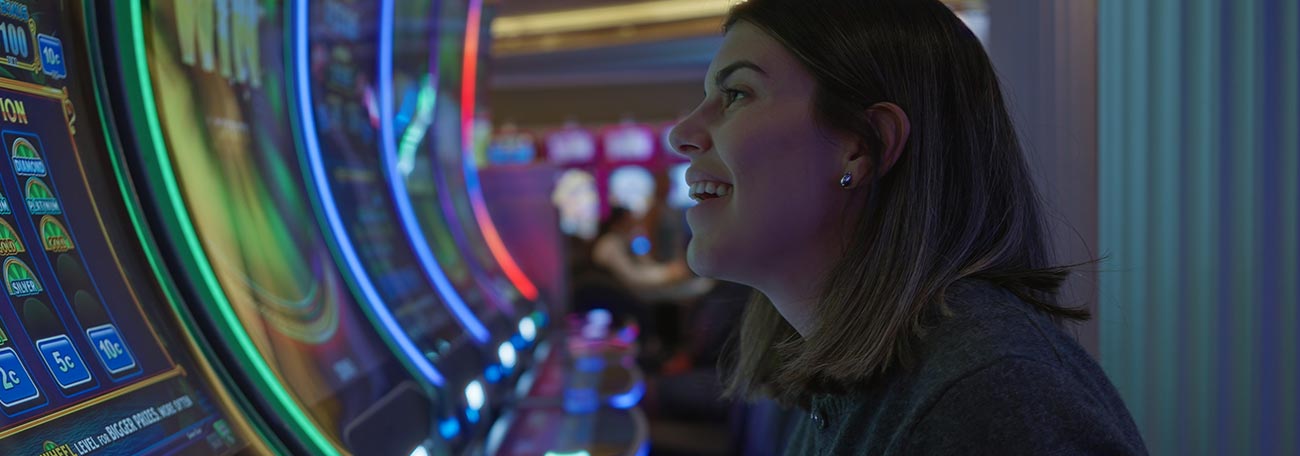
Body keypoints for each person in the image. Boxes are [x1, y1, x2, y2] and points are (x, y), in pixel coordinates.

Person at [666, 0, 1147, 454]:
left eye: (735, 94)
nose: (682, 134)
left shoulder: (983, 393)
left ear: (864, 145)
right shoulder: (866, 374)